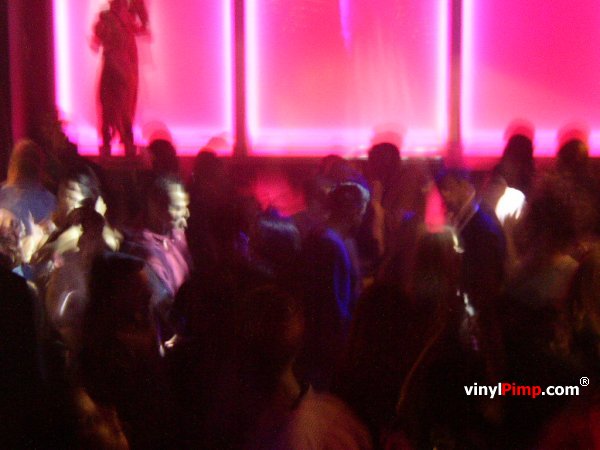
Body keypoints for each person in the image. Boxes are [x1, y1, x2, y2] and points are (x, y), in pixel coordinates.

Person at [92, 0, 148, 157]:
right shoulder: (118, 18)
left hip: (115, 64)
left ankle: (111, 141)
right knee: (120, 105)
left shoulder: (109, 17)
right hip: (120, 66)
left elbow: (97, 40)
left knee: (111, 104)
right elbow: (141, 29)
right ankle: (124, 141)